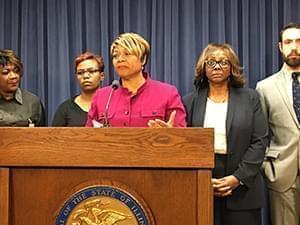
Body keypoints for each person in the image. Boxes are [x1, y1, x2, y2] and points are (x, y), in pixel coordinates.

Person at [183, 43, 268, 225]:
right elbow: (186, 144)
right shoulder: (189, 101)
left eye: (223, 62)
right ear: (203, 67)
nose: (217, 67)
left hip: (243, 185)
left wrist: (237, 178)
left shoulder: (251, 98)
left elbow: (260, 141)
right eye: (211, 62)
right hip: (203, 180)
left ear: (232, 68)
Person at [86, 32, 186, 127]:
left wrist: (169, 134)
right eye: (115, 55)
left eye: (127, 54)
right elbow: (87, 137)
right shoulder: (101, 97)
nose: (120, 59)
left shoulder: (168, 93)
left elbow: (182, 138)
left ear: (143, 59)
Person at [256, 22, 300, 225]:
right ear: (280, 47)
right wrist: (268, 166)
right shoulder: (265, 87)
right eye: (289, 41)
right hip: (282, 174)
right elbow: (260, 134)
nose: (294, 47)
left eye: (299, 41)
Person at [52, 52, 104, 126]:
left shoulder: (112, 105)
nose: (85, 76)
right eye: (80, 73)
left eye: (91, 71)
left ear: (102, 76)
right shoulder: (65, 109)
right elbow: (54, 136)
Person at [0, 49, 45, 126]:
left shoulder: (33, 102)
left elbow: (41, 135)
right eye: (6, 72)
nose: (13, 76)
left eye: (16, 71)